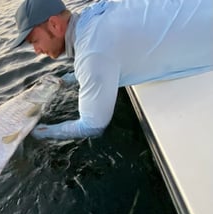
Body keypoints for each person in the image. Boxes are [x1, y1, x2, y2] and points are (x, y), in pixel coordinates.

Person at [12, 0, 213, 140]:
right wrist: (68, 79)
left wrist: (37, 132)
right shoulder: (97, 14)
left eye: (34, 41)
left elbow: (92, 126)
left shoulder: (92, 52)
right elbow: (99, 57)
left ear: (54, 25)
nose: (36, 51)